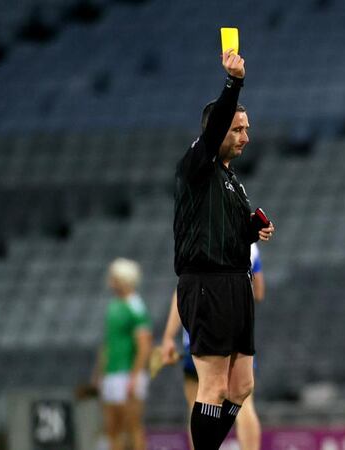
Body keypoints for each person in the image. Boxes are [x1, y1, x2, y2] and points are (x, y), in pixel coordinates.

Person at [172, 48, 274, 450]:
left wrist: (252, 229)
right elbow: (215, 130)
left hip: (235, 283)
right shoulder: (198, 165)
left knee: (242, 385)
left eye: (247, 128)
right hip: (206, 283)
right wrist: (234, 82)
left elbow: (228, 234)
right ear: (215, 132)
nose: (245, 136)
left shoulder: (232, 180)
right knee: (212, 387)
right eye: (237, 129)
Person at [161, 243, 265, 450]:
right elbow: (259, 292)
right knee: (243, 402)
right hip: (237, 329)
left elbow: (182, 292)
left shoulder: (202, 238)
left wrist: (168, 337)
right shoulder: (249, 245)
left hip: (201, 331)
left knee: (198, 401)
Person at [98, 258, 153, 450]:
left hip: (128, 374)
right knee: (112, 428)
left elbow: (144, 345)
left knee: (132, 427)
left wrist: (135, 376)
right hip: (112, 373)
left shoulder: (135, 306)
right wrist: (100, 373)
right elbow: (108, 343)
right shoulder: (114, 305)